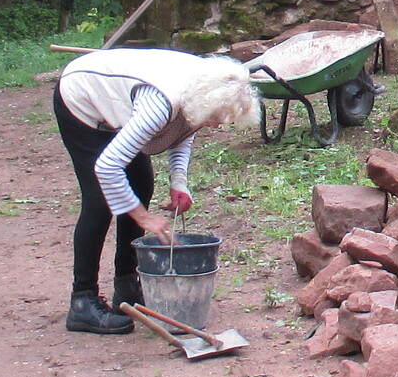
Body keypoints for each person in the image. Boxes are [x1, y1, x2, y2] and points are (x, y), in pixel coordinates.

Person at [51, 46, 258, 335]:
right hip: (82, 97)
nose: (215, 125)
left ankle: (127, 286)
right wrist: (143, 217)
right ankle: (82, 300)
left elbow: (183, 131)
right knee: (100, 200)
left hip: (122, 99)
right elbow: (107, 167)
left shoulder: (205, 88)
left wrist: (178, 182)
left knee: (141, 183)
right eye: (215, 118)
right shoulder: (160, 103)